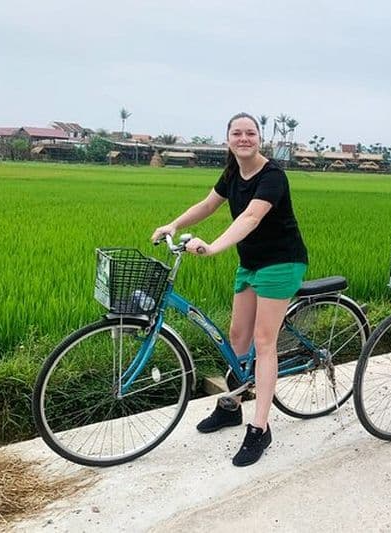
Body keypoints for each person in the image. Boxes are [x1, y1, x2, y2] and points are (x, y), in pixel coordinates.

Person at [150, 112, 308, 466]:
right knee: (237, 337)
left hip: (281, 262)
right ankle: (230, 406)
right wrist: (173, 223)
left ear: (259, 138)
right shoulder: (232, 172)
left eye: (250, 133)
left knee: (264, 342)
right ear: (228, 140)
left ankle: (260, 428)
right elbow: (208, 205)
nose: (244, 139)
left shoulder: (273, 177)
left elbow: (250, 218)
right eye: (237, 133)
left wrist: (214, 247)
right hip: (250, 263)